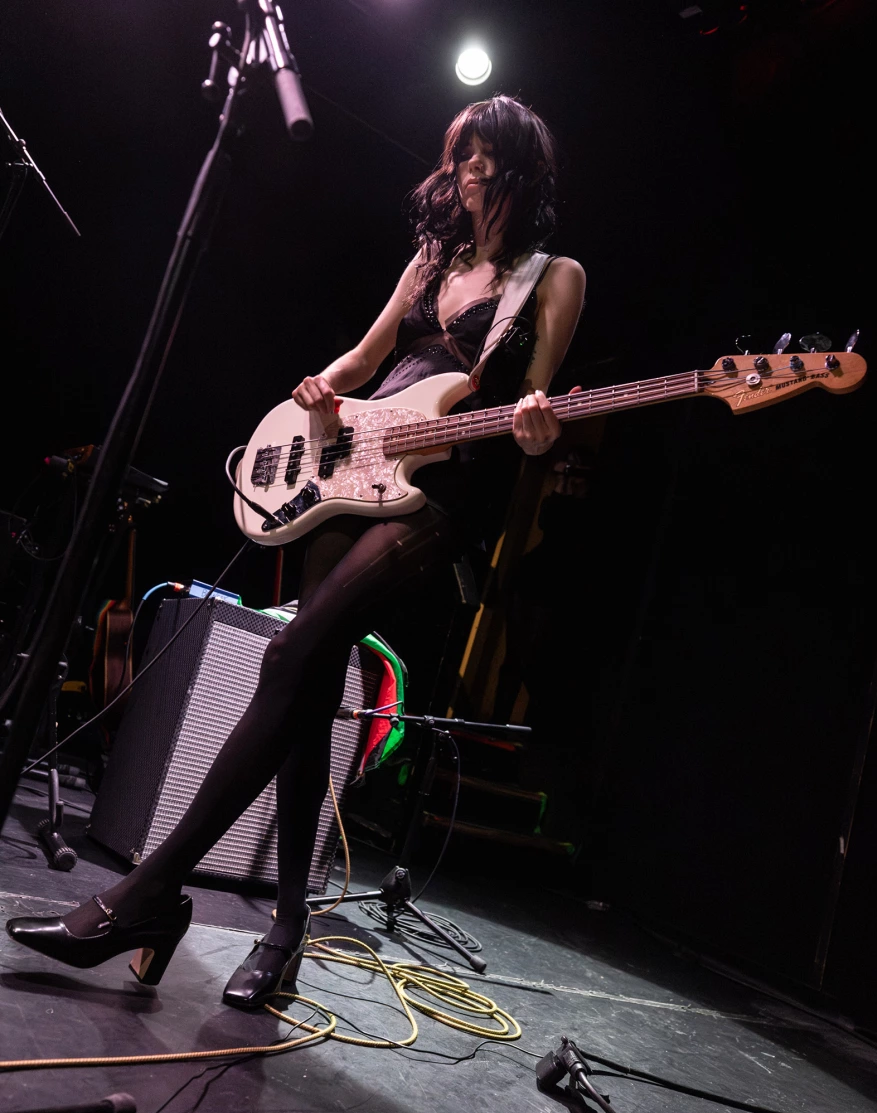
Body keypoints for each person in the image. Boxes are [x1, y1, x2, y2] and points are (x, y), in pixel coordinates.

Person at [6, 94, 586, 1010]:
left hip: (440, 494)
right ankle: (283, 936)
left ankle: (150, 892)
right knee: (307, 687)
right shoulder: (433, 259)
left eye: (488, 160)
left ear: (523, 173)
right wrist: (324, 386)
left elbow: (534, 417)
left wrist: (540, 426)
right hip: (349, 469)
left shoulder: (553, 277)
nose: (470, 175)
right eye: (462, 157)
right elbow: (365, 360)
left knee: (289, 650)